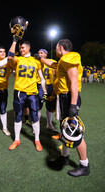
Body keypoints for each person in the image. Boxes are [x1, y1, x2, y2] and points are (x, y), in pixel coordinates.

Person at [35, 39, 90, 177]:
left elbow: (73, 83)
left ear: (60, 47)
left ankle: (84, 165)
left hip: (69, 97)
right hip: (63, 97)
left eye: (57, 48)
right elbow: (53, 64)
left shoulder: (69, 58)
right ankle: (65, 157)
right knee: (63, 128)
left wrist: (72, 104)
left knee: (73, 131)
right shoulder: (62, 61)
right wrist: (41, 59)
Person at [8, 40, 47, 152]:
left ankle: (37, 140)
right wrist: (14, 41)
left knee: (34, 116)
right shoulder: (18, 59)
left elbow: (42, 78)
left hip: (32, 92)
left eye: (23, 48)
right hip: (19, 92)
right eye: (20, 48)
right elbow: (10, 56)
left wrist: (44, 92)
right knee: (18, 115)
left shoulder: (36, 61)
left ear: (29, 48)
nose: (21, 50)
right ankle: (16, 139)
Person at [37, 49, 57, 131]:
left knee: (50, 106)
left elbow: (55, 75)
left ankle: (49, 124)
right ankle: (36, 126)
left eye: (41, 53)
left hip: (50, 86)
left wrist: (55, 88)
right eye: (38, 53)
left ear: (46, 54)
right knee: (38, 106)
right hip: (40, 86)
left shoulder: (51, 62)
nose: (39, 54)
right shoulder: (37, 62)